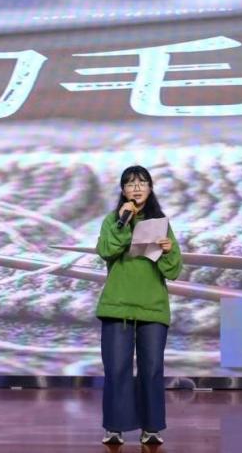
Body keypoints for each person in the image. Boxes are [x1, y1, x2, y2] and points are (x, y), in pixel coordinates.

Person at [95, 165, 183, 446]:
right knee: (116, 368)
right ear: (123, 190)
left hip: (152, 306)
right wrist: (123, 223)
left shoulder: (161, 223)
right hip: (117, 306)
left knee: (152, 369)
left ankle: (152, 427)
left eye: (142, 183)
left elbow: (173, 270)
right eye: (130, 184)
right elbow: (106, 251)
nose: (136, 188)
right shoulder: (113, 220)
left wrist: (168, 251)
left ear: (150, 188)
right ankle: (114, 427)